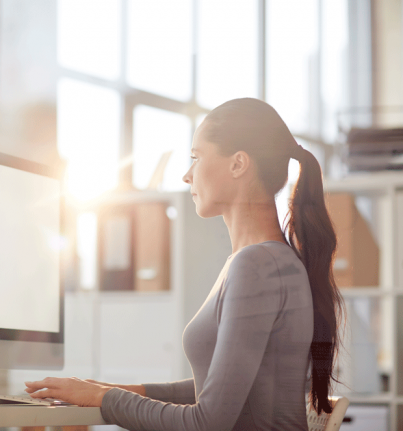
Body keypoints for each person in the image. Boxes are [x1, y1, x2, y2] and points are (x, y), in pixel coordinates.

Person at [24, 98, 345, 431]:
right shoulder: (259, 261)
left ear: (238, 164)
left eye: (196, 157)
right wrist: (109, 390)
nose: (187, 174)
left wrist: (105, 400)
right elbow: (223, 387)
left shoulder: (258, 265)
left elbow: (207, 421)